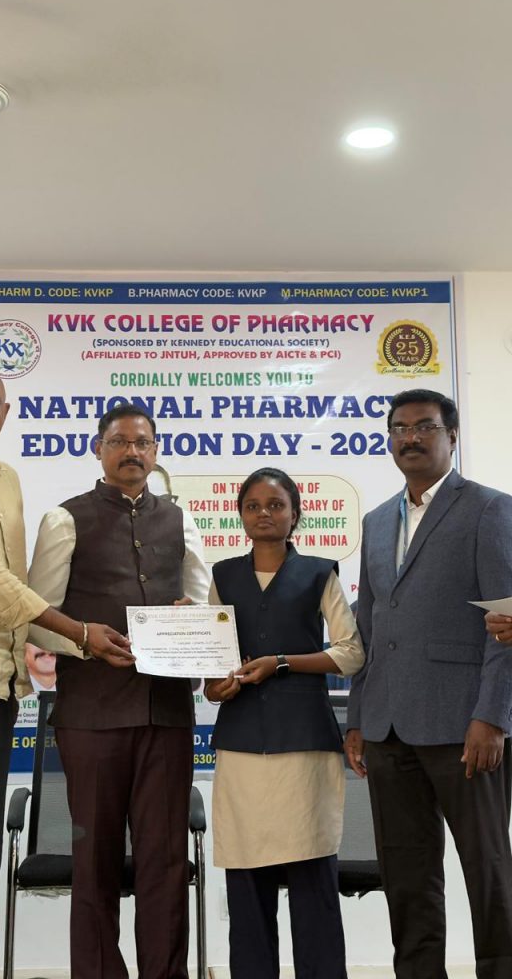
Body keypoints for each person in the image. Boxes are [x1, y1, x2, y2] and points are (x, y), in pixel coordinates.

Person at [0, 364, 131, 979]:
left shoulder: (8, 479)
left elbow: (19, 588)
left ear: (6, 410)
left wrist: (84, 642)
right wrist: (79, 632)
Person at [27, 403, 210, 979]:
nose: (132, 452)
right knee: (95, 863)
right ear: (98, 449)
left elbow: (206, 608)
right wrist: (85, 641)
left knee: (165, 864)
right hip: (90, 717)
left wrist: (193, 620)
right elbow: (35, 619)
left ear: (156, 451)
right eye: (119, 441)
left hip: (166, 716)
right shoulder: (65, 519)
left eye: (142, 442)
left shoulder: (182, 521)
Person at [344, 388, 512, 979]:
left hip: (464, 724)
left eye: (425, 427)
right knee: (406, 874)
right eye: (399, 428)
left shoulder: (489, 509)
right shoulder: (376, 520)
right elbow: (371, 628)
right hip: (388, 728)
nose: (410, 437)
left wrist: (493, 716)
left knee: (488, 868)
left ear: (452, 436)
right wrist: (358, 719)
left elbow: (506, 622)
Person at [204, 467, 365, 979]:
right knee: (246, 886)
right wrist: (216, 686)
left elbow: (351, 653)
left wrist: (282, 663)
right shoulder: (222, 576)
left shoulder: (320, 572)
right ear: (240, 515)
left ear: (296, 514)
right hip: (241, 749)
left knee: (313, 880)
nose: (264, 514)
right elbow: (212, 669)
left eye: (276, 505)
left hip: (305, 748)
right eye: (253, 505)